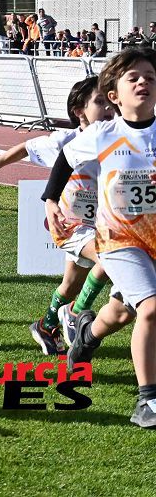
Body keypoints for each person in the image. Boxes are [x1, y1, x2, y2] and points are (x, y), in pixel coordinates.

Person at [43, 47, 156, 427]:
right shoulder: (104, 133)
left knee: (123, 312)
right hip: (120, 238)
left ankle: (85, 338)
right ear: (115, 96)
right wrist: (49, 202)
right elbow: (64, 160)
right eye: (133, 78)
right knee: (152, 310)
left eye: (150, 77)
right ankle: (148, 401)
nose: (143, 82)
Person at [0, 76, 115, 354]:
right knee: (112, 256)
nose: (108, 108)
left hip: (100, 224)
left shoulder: (114, 139)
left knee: (69, 286)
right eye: (100, 102)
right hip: (69, 226)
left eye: (110, 102)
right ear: (79, 111)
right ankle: (75, 312)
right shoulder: (66, 140)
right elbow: (26, 147)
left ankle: (46, 325)